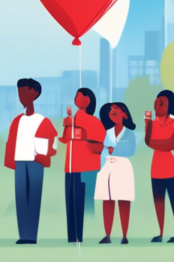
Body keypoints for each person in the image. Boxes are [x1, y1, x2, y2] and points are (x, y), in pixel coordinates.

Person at [5, 78, 58, 244]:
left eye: (23, 92)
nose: (20, 96)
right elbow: (11, 142)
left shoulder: (42, 120)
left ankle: (31, 236)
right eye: (18, 92)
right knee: (21, 198)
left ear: (34, 93)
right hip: (19, 162)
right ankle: (23, 236)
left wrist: (44, 154)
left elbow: (54, 141)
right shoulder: (17, 120)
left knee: (34, 198)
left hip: (36, 162)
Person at [58, 88, 104, 244]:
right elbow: (64, 140)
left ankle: (82, 236)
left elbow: (98, 147)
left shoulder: (94, 122)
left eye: (80, 96)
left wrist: (81, 135)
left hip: (86, 168)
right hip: (70, 167)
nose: (77, 98)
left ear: (88, 100)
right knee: (70, 203)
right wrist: (66, 126)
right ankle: (71, 237)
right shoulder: (71, 120)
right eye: (76, 96)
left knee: (83, 204)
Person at [145, 90, 174, 243]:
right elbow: (147, 142)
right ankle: (160, 233)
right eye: (156, 102)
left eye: (161, 102)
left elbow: (173, 144)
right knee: (158, 202)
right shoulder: (152, 123)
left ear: (170, 105)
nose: (157, 105)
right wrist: (147, 124)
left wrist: (156, 144)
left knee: (173, 202)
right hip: (155, 169)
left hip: (171, 169)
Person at [95, 102, 137, 245]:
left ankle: (124, 236)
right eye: (111, 109)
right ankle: (107, 235)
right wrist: (107, 150)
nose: (112, 111)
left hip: (123, 167)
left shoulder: (130, 132)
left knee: (123, 200)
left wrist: (117, 150)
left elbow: (132, 151)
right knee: (107, 200)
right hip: (107, 167)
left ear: (124, 114)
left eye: (116, 109)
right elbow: (100, 147)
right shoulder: (106, 131)